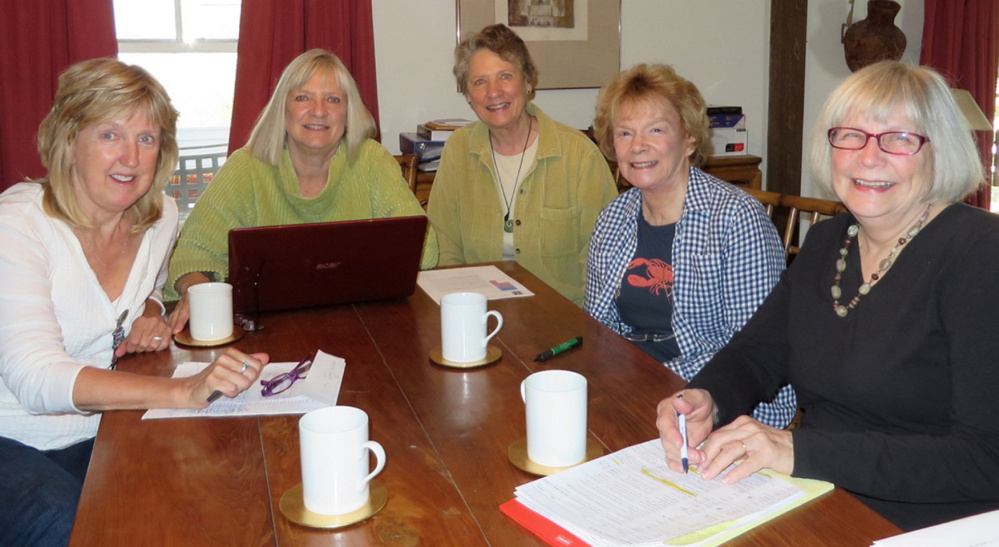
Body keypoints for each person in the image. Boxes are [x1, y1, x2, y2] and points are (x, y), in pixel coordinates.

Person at [656, 61, 999, 531]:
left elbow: (986, 459)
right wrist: (707, 400)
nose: (869, 157)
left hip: (922, 523)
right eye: (851, 135)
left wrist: (799, 450)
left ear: (939, 153)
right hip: (813, 494)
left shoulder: (980, 253)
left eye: (899, 138)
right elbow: (759, 354)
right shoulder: (827, 243)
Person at [0, 58, 269, 545]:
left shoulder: (159, 216)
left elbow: (140, 289)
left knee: (218, 495)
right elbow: (35, 377)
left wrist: (151, 310)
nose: (130, 157)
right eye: (110, 135)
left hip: (100, 429)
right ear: (68, 139)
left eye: (147, 139)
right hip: (13, 436)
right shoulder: (17, 225)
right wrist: (178, 394)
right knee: (80, 529)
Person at [585, 64, 795, 429]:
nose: (638, 146)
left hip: (713, 406)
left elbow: (757, 354)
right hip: (629, 391)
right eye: (624, 133)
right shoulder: (612, 218)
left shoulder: (736, 221)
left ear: (689, 139)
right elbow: (599, 329)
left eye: (656, 129)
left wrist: (654, 388)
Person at [166, 49, 438, 329]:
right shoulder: (246, 167)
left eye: (333, 99)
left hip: (361, 323)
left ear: (348, 112)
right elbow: (191, 256)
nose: (319, 111)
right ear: (283, 110)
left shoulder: (372, 160)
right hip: (267, 331)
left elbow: (425, 251)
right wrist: (196, 290)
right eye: (302, 97)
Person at [427, 24, 618, 306]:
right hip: (479, 317)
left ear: (528, 82)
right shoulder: (458, 151)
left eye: (505, 76)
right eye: (479, 82)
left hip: (562, 323)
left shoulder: (580, 157)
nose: (494, 92)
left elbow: (605, 265)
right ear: (468, 95)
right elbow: (444, 247)